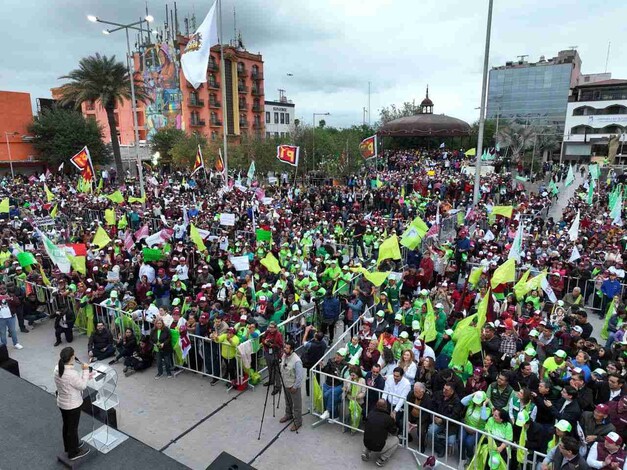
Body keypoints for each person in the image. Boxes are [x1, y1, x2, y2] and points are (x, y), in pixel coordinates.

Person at [54, 347, 90, 461]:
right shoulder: (71, 374)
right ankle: (73, 453)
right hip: (72, 405)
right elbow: (83, 386)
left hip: (62, 402)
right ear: (71, 357)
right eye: (74, 355)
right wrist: (85, 371)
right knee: (73, 429)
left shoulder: (57, 368)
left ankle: (69, 447)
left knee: (67, 426)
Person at [362, 399, 399, 467]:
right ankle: (382, 459)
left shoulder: (370, 413)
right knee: (396, 440)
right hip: (378, 446)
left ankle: (366, 452)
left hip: (366, 442)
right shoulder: (388, 418)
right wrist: (393, 420)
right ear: (386, 406)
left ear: (376, 405)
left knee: (372, 433)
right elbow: (394, 431)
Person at [279, 341, 304, 432]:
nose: (285, 349)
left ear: (292, 349)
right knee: (288, 401)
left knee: (297, 406)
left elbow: (300, 376)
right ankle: (288, 414)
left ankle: (298, 422)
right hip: (286, 384)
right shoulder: (284, 356)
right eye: (285, 347)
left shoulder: (297, 361)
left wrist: (295, 387)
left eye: (287, 348)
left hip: (293, 387)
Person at [262, 321, 284, 395]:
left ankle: (278, 386)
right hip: (267, 352)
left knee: (276, 371)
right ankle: (271, 381)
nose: (270, 329)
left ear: (275, 328)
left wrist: (273, 345)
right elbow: (262, 339)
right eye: (269, 327)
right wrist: (265, 342)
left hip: (275, 354)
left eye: (272, 327)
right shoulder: (267, 332)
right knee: (269, 368)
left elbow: (281, 345)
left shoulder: (278, 335)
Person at [0, 284, 23, 349]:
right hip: (1, 318)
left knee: (13, 331)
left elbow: (18, 303)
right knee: (2, 332)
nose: (2, 290)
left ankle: (16, 343)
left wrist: (11, 299)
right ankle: (4, 346)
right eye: (1, 289)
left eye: (4, 288)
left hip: (11, 316)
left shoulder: (11, 295)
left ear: (6, 289)